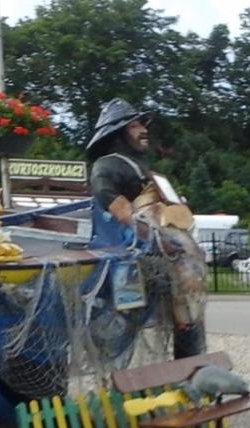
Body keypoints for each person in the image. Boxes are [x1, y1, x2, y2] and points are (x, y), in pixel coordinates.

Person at [86, 98, 206, 358]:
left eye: (143, 124)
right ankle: (188, 353)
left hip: (161, 239)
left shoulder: (142, 167)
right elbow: (121, 211)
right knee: (185, 278)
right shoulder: (105, 166)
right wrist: (156, 240)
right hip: (134, 246)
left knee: (190, 287)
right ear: (117, 133)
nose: (144, 130)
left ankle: (190, 354)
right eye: (135, 126)